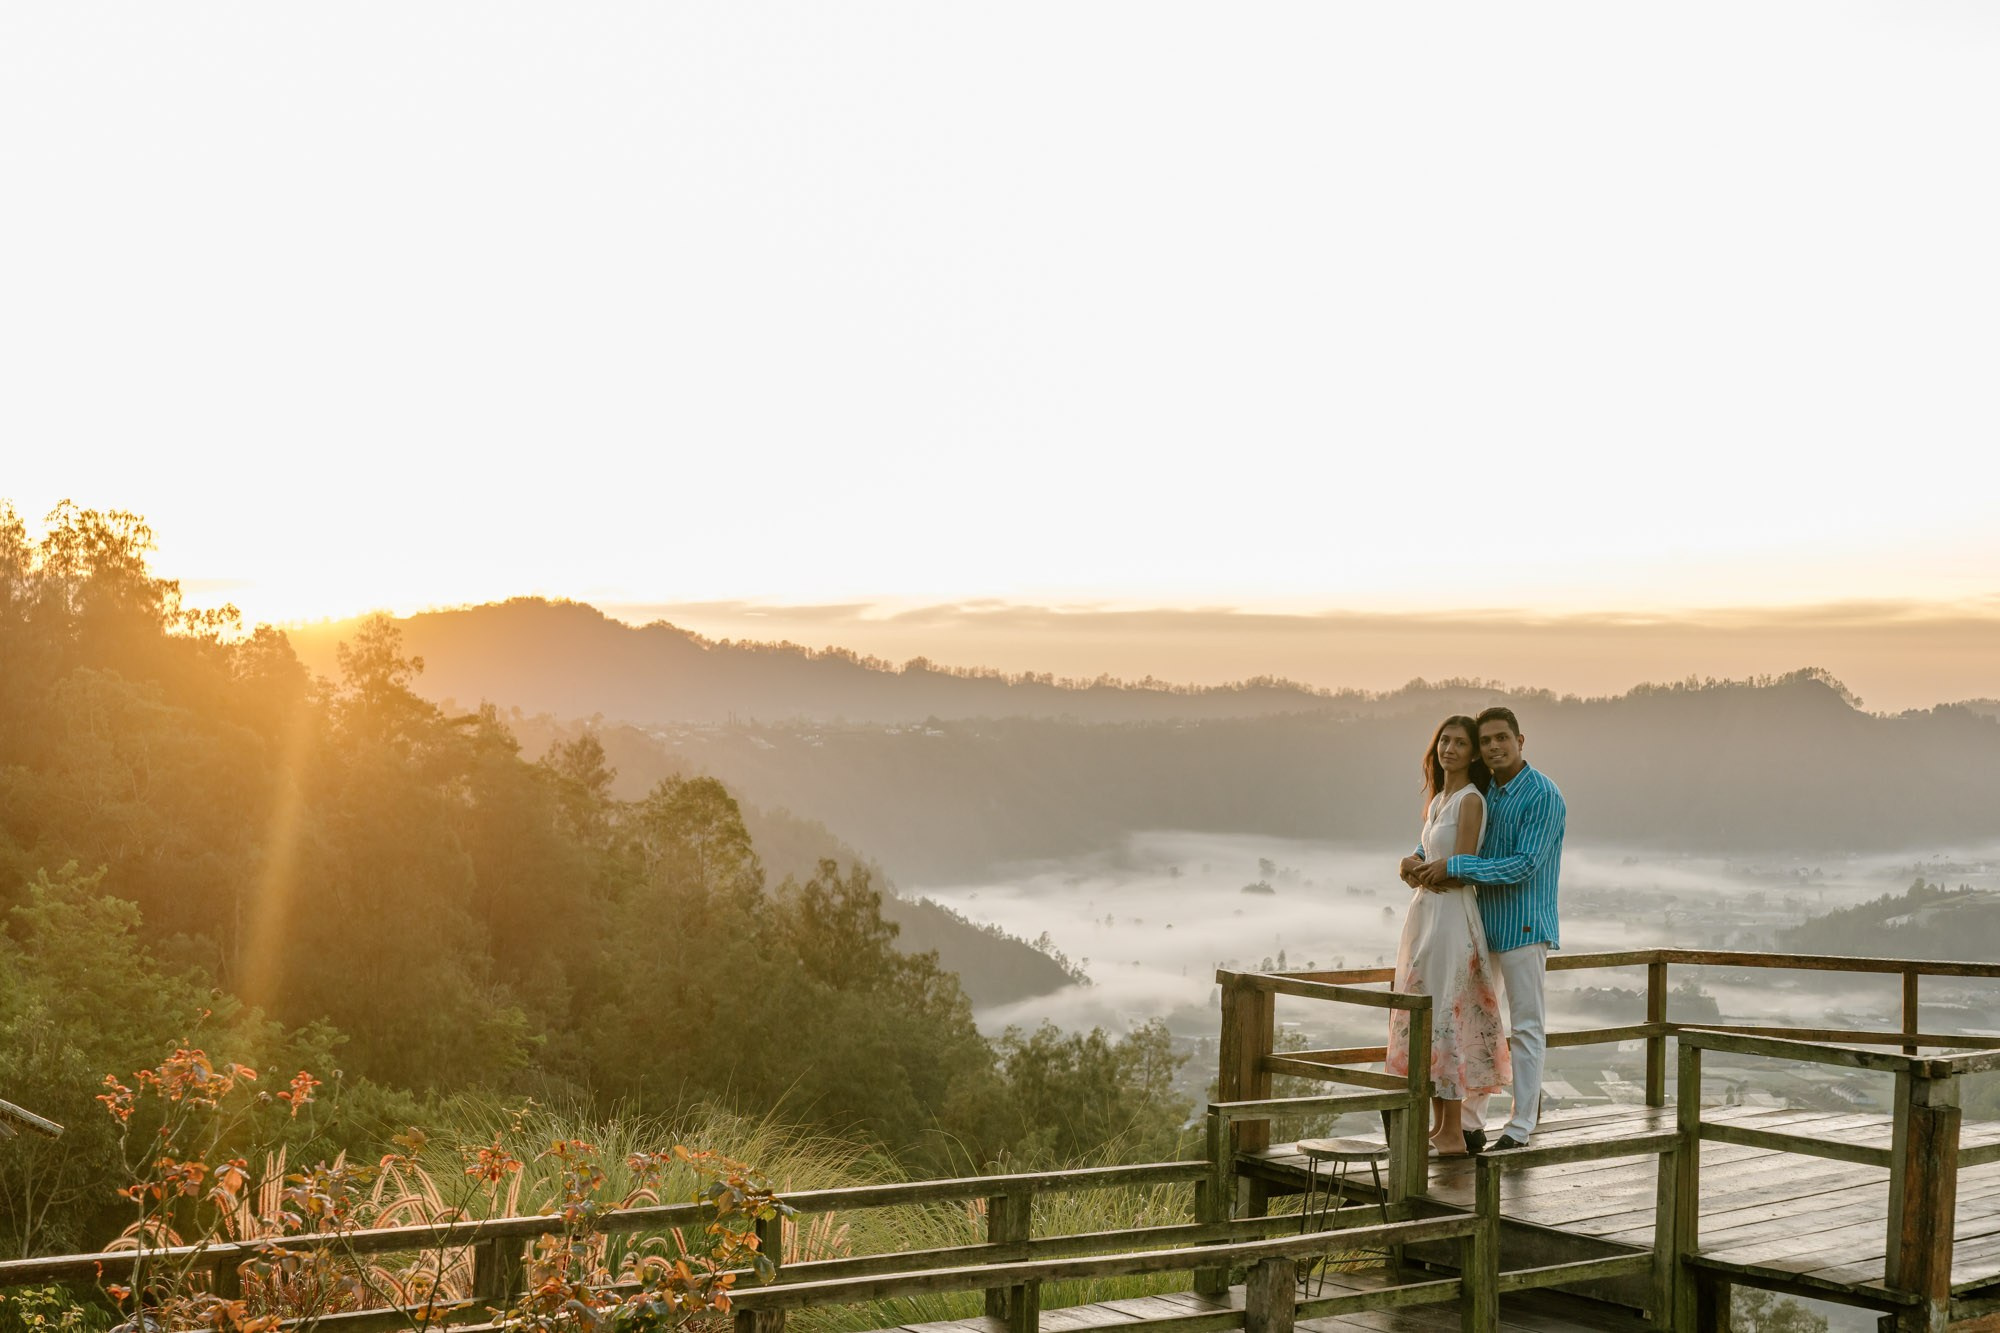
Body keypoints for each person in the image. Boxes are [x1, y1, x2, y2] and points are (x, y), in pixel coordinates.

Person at [1413, 706, 1565, 1152]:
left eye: (1502, 738)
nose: (1494, 746)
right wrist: (1419, 859)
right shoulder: (1486, 792)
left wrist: (1455, 866)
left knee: (1526, 1026)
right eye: (1487, 741)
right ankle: (1468, 1124)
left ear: (1521, 740)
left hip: (1522, 925)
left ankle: (1519, 1128)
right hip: (1478, 925)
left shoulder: (1542, 795)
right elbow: (1449, 830)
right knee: (1474, 1026)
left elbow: (1525, 864)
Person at [1386, 716, 1511, 1158]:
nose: (1450, 749)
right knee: (1430, 1010)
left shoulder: (1470, 801)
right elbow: (1430, 857)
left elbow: (1460, 866)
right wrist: (1411, 864)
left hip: (1452, 917)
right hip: (1427, 914)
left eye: (1460, 743)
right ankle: (1441, 1126)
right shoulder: (1439, 797)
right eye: (1444, 740)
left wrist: (1424, 871)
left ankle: (1455, 1131)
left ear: (1473, 753)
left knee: (1450, 1016)